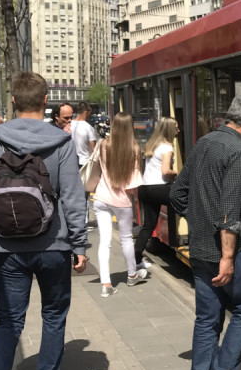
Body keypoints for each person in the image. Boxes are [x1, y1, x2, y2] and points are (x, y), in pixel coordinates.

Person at [0, 72, 88, 370]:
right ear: (45, 100)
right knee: (53, 313)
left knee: (9, 320)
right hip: (53, 246)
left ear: (14, 102)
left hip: (8, 247)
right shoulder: (61, 142)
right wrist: (80, 244)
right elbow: (72, 196)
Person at [170, 93, 241, 370]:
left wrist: (198, 222)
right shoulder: (240, 153)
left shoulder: (203, 143)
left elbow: (176, 195)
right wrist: (227, 257)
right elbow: (229, 212)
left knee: (207, 318)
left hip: (199, 248)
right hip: (232, 251)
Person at [93, 112, 148, 298]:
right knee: (125, 239)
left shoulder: (103, 145)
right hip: (122, 201)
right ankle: (132, 275)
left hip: (100, 198)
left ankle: (106, 284)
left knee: (104, 242)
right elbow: (133, 186)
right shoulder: (134, 148)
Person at [134, 116, 179, 269]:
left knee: (148, 225)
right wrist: (178, 174)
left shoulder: (153, 144)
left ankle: (136, 258)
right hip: (159, 188)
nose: (179, 130)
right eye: (176, 127)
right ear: (170, 130)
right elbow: (166, 171)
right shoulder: (167, 147)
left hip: (145, 188)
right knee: (190, 206)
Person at [69, 101, 97, 168]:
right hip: (84, 162)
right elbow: (94, 149)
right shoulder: (88, 128)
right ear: (87, 111)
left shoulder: (69, 125)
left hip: (70, 161)